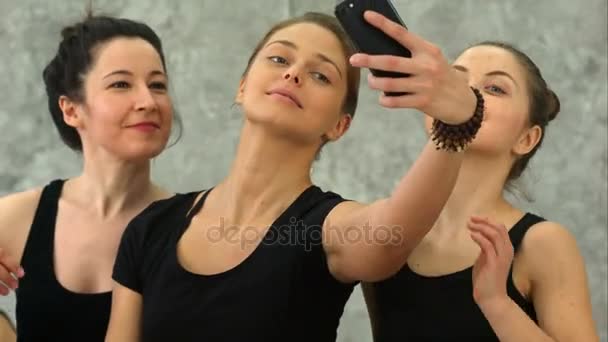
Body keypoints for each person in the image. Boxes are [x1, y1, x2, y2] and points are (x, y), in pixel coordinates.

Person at [105, 11, 482, 342]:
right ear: (242, 86)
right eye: (278, 57)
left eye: (320, 75)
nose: (293, 73)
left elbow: (388, 237)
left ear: (339, 124)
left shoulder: (326, 228)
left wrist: (457, 123)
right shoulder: (150, 228)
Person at [358, 18, 600, 342]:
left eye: (495, 88)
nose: (468, 93)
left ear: (527, 139)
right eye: (456, 81)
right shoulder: (387, 225)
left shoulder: (543, 244)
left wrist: (497, 304)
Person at [0, 13, 178, 341]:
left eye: (158, 85)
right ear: (71, 110)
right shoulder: (17, 219)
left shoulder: (192, 228)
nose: (148, 101)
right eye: (121, 84)